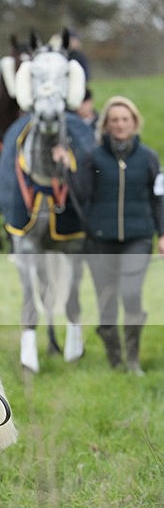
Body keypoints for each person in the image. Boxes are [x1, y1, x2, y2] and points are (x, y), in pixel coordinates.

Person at [81, 96, 164, 374]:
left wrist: (162, 234)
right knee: (106, 302)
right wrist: (63, 168)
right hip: (99, 239)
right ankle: (115, 360)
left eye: (125, 119)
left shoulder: (149, 157)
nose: (119, 124)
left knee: (131, 294)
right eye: (114, 120)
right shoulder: (93, 157)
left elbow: (159, 199)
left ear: (134, 123)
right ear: (106, 124)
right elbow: (80, 196)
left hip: (138, 237)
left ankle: (133, 359)